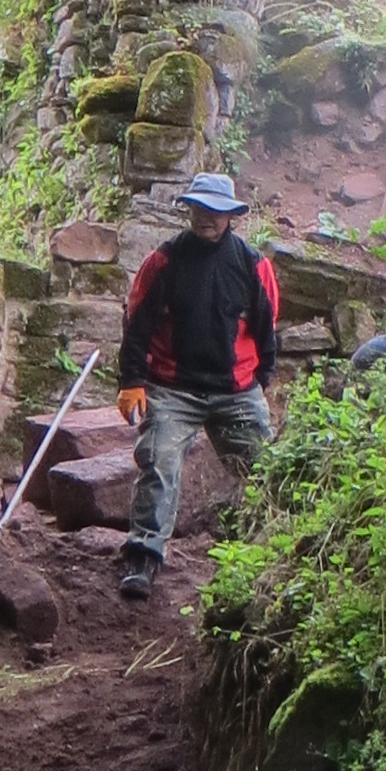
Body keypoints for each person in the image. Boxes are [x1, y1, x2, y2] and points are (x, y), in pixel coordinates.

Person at [114, 172, 280, 599]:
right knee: (159, 462)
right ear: (188, 209)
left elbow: (267, 329)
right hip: (172, 389)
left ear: (231, 216)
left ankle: (277, 552)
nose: (207, 217)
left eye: (216, 211)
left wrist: (260, 381)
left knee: (268, 469)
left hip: (235, 392)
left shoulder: (253, 265)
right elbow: (137, 324)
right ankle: (143, 556)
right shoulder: (163, 262)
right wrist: (132, 381)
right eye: (200, 208)